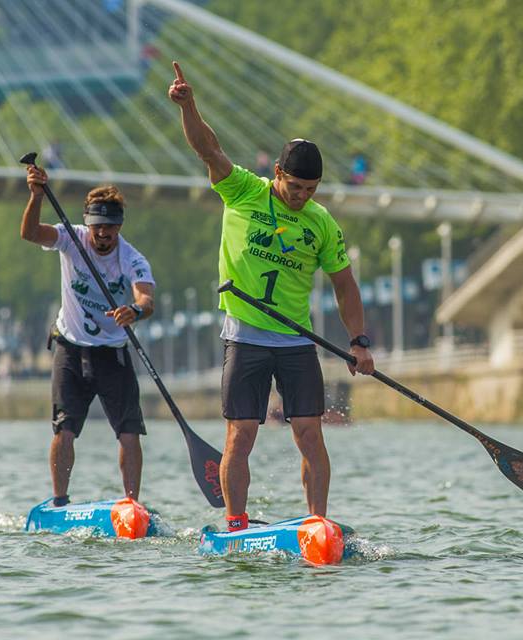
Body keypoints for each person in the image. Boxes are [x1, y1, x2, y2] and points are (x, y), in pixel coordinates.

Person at [168, 61, 375, 531]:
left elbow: (345, 285)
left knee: (310, 435)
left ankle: (317, 525)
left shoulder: (322, 223)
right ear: (277, 172)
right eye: (295, 186)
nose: (302, 196)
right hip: (246, 337)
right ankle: (236, 525)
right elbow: (207, 148)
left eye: (311, 190)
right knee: (240, 437)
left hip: (297, 341)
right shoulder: (243, 191)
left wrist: (359, 341)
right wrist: (189, 106)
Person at [21, 166, 155, 507]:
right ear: (88, 224)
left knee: (129, 432)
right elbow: (31, 234)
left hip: (112, 353)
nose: (103, 235)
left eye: (110, 228)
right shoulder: (71, 237)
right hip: (70, 349)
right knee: (64, 430)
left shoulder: (132, 257)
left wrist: (134, 311)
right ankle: (60, 502)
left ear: (119, 226)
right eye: (97, 227)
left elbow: (146, 298)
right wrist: (36, 197)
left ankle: (131, 505)